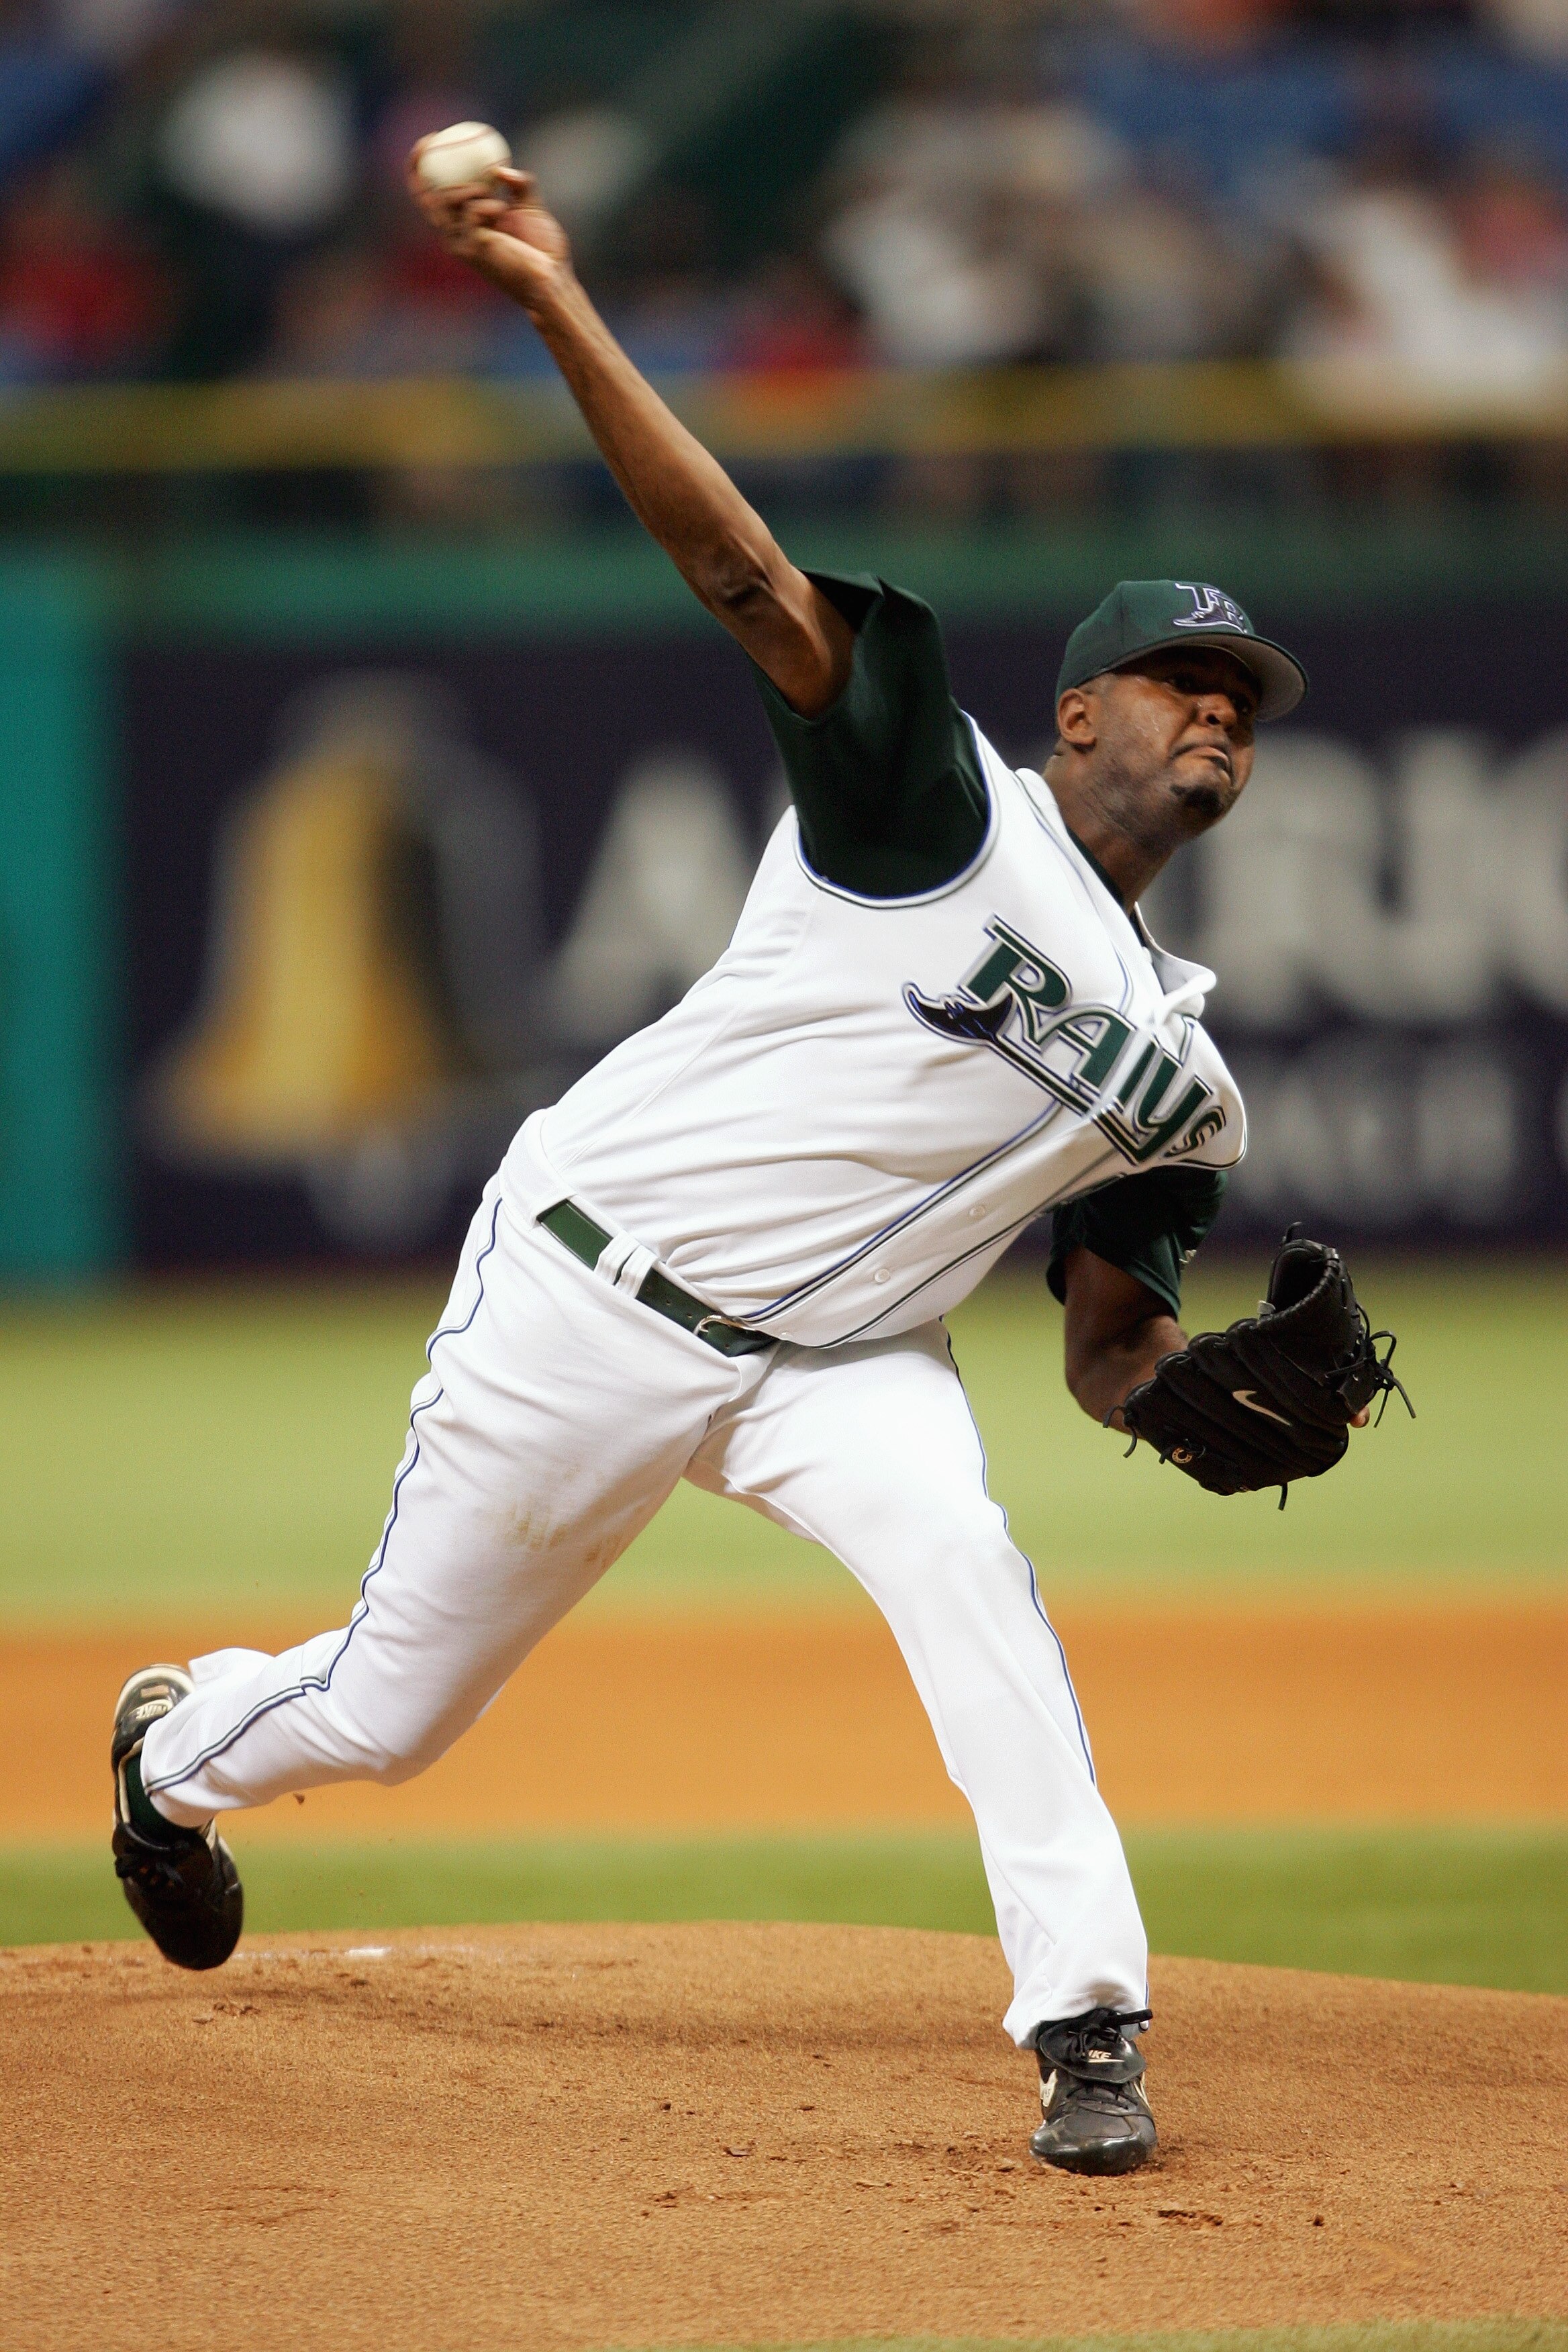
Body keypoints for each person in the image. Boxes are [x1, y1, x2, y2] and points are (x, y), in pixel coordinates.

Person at [109, 154, 1312, 2179]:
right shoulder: (935, 806)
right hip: (595, 1283)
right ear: (1075, 710)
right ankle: (171, 1754)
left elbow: (1112, 1335)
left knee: (967, 1570)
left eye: (1248, 704)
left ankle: (1087, 2026)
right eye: (1185, 685)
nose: (1220, 717)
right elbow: (746, 574)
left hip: (841, 1372)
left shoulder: (1182, 1081)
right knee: (394, 1720)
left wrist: (1171, 1393)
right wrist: (560, 305)